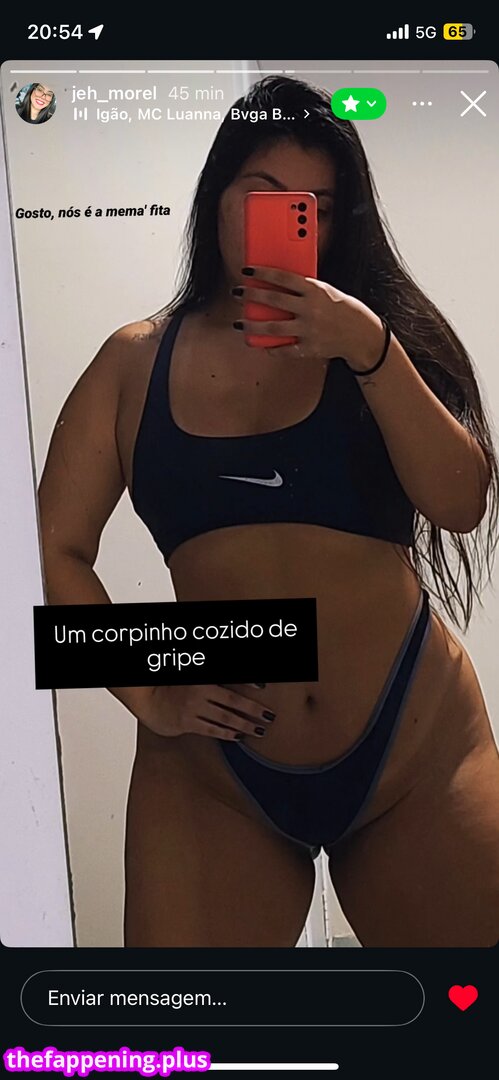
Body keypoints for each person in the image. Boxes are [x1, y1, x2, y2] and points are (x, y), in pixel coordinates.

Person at [38, 76, 499, 948]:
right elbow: (51, 550)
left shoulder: (377, 338)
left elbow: (460, 503)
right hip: (211, 774)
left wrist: (368, 348)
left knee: (472, 1012)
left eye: (315, 208)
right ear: (216, 196)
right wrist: (146, 686)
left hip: (414, 750)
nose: (295, 223)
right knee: (187, 1020)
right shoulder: (132, 364)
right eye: (266, 196)